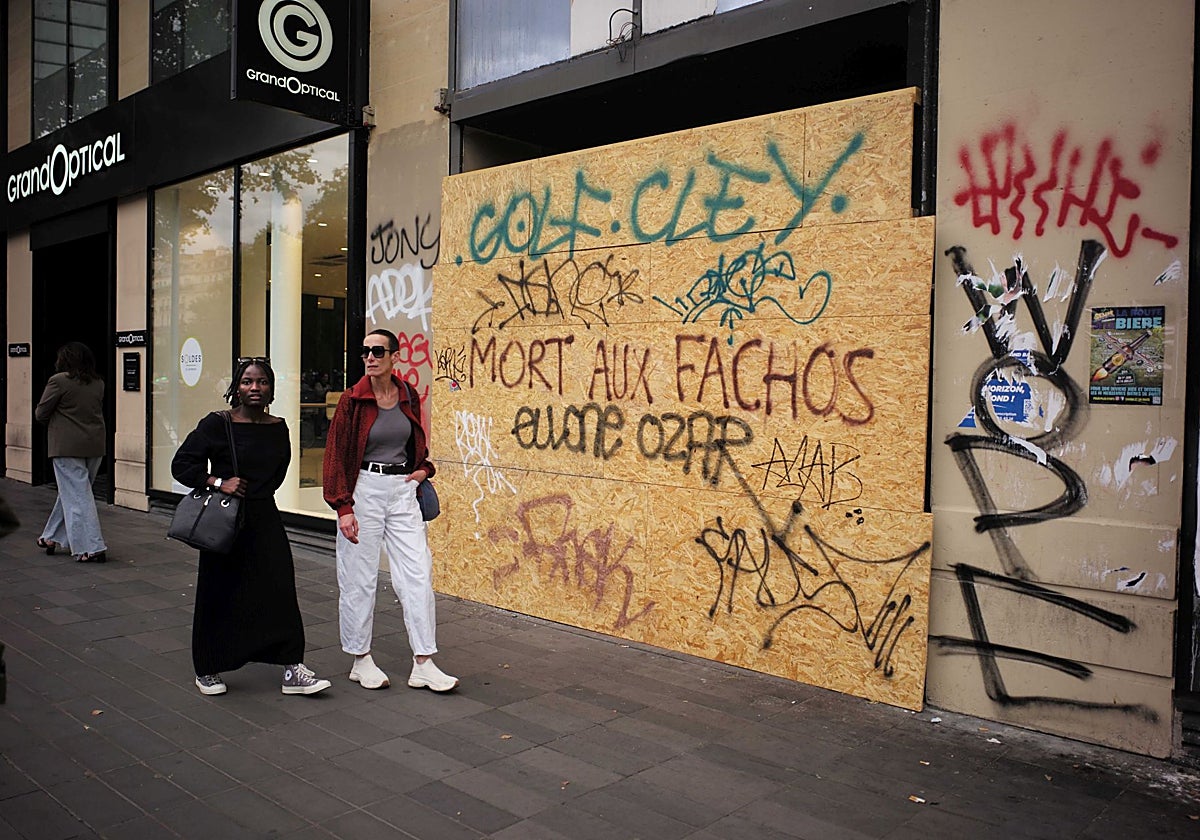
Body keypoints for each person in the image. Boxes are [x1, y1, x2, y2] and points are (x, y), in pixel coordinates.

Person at [172, 357, 331, 697]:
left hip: (264, 516)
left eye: (261, 382)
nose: (254, 388)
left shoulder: (278, 427)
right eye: (247, 382)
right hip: (224, 519)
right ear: (237, 388)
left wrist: (256, 493)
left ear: (271, 388)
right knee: (218, 590)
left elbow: (279, 471)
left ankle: (291, 667)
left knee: (279, 588)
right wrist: (219, 482)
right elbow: (181, 465)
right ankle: (208, 667)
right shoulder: (218, 424)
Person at [323, 329, 457, 692]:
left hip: (401, 490)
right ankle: (360, 659)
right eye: (365, 351)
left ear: (395, 356)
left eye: (378, 351)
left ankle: (424, 662)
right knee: (359, 577)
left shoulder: (408, 394)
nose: (370, 357)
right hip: (363, 489)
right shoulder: (353, 399)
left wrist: (423, 471)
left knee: (417, 572)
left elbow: (418, 446)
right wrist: (343, 507)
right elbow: (334, 456)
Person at [35, 342, 108, 563]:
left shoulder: (58, 381)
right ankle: (51, 536)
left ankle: (92, 546)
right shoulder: (98, 383)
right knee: (76, 492)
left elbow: (41, 413)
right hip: (94, 445)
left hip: (66, 446)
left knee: (77, 496)